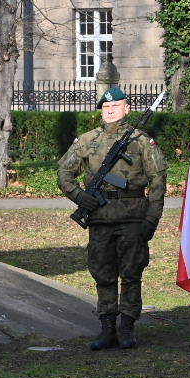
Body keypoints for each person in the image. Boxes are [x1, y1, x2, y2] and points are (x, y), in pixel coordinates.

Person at [57, 85, 168, 351]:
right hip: (99, 217)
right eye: (106, 107)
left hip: (132, 217)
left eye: (115, 106)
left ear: (126, 108)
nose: (110, 110)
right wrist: (79, 197)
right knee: (103, 273)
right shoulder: (86, 140)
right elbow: (64, 174)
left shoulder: (141, 141)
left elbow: (158, 180)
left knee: (131, 273)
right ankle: (107, 328)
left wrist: (151, 219)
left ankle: (127, 328)